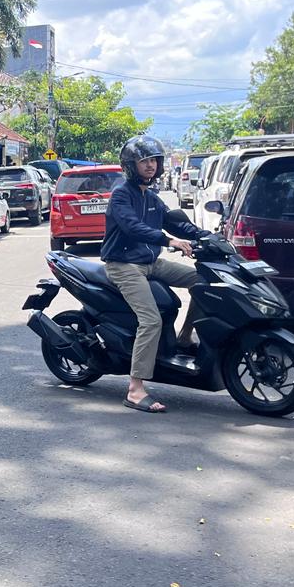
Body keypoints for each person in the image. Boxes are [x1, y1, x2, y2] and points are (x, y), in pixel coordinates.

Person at [102, 136, 205, 415]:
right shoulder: (121, 195)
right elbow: (132, 227)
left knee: (202, 281)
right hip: (123, 265)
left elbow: (175, 222)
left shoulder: (151, 197)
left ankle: (185, 336)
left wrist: (206, 236)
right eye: (143, 160)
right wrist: (168, 241)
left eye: (154, 160)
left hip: (149, 263)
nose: (150, 165)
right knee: (151, 320)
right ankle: (135, 389)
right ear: (131, 165)